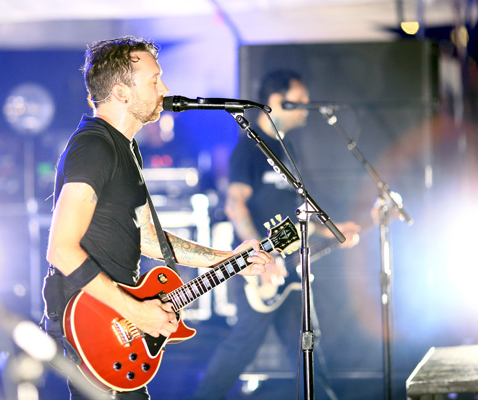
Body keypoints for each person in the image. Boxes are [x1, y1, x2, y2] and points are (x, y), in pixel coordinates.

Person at [39, 36, 273, 400]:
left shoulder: (126, 147)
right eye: (154, 80)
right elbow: (61, 250)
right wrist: (136, 311)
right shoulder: (94, 147)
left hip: (117, 322)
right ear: (121, 93)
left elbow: (148, 237)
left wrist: (228, 260)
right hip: (91, 321)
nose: (164, 89)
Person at [190, 70, 361, 400]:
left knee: (307, 346)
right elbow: (235, 205)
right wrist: (262, 258)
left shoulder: (286, 147)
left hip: (289, 267)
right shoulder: (249, 149)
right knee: (242, 346)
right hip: (259, 268)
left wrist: (333, 230)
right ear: (276, 101)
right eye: (300, 100)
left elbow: (298, 214)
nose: (307, 106)